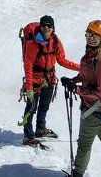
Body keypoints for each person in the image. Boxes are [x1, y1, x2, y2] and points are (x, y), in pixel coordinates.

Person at [63, 20, 101, 177]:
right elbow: (86, 75)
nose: (90, 38)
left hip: (96, 108)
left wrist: (76, 89)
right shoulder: (92, 54)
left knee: (84, 143)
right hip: (99, 108)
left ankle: (78, 173)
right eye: (88, 34)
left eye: (95, 35)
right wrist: (73, 80)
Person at [21, 14, 80, 146]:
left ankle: (40, 129)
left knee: (44, 106)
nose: (46, 28)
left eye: (49, 26)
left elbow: (62, 60)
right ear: (40, 27)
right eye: (44, 26)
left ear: (53, 28)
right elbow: (28, 65)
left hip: (50, 78)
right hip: (35, 80)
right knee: (31, 108)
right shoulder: (33, 44)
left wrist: (81, 68)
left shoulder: (56, 42)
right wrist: (29, 87)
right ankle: (28, 136)